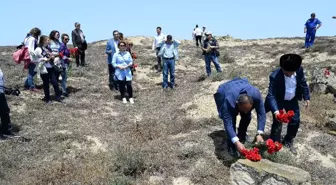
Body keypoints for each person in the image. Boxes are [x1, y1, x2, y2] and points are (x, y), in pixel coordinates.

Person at [265, 54, 310, 155]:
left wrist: (306, 97)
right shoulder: (274, 76)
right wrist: (276, 111)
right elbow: (271, 95)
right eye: (286, 73)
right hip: (279, 100)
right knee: (277, 121)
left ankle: (288, 140)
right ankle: (274, 143)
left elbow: (303, 83)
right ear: (282, 68)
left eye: (291, 73)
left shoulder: (299, 70)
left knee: (295, 120)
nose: (289, 75)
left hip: (292, 99)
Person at [214, 78, 266, 157]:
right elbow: (228, 123)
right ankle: (231, 146)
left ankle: (241, 135)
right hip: (225, 91)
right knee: (232, 120)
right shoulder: (229, 102)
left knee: (247, 116)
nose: (245, 111)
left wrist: (259, 134)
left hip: (240, 85)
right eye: (243, 109)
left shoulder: (256, 95)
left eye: (248, 109)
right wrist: (236, 142)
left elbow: (261, 114)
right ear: (237, 104)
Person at [35, 35, 61, 103]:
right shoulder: (38, 49)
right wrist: (43, 59)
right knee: (46, 84)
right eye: (48, 40)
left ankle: (58, 97)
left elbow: (51, 55)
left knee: (55, 83)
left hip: (51, 68)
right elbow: (34, 59)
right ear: (43, 41)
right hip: (44, 69)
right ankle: (48, 99)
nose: (49, 41)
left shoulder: (48, 48)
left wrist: (52, 57)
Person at [23, 27, 41, 92]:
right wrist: (33, 58)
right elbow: (31, 49)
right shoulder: (32, 39)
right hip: (31, 57)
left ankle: (26, 83)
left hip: (27, 57)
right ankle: (31, 86)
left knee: (34, 71)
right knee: (31, 72)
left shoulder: (27, 38)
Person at [0, 68, 15, 139]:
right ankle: (5, 132)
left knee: (5, 111)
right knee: (4, 112)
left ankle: (5, 130)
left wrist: (6, 91)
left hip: (1, 93)